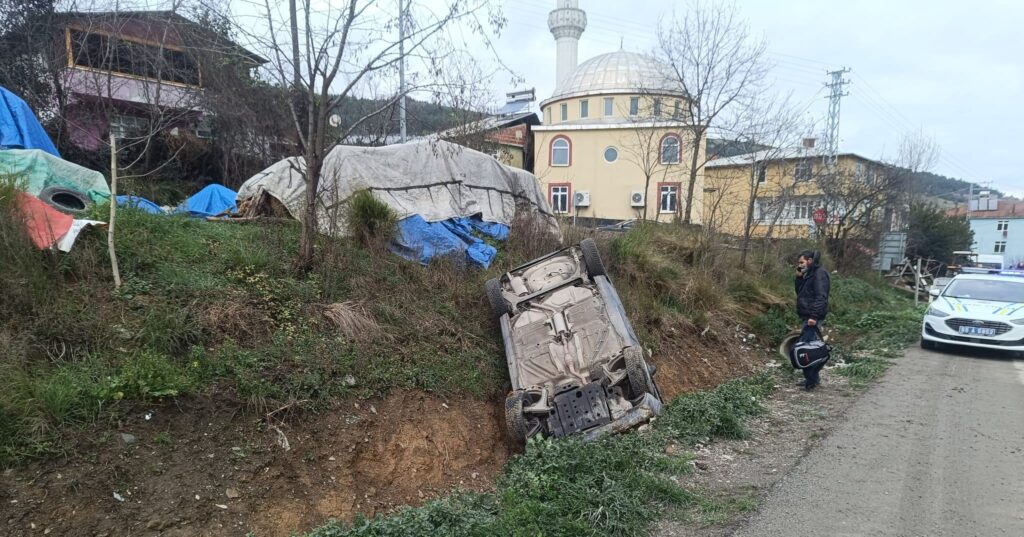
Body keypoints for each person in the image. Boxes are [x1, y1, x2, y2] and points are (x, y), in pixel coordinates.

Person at [795, 250, 830, 390]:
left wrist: (813, 317)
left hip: (812, 317)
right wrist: (798, 277)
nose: (799, 265)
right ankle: (812, 379)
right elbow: (801, 293)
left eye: (802, 262)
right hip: (807, 316)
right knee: (808, 348)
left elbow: (821, 297)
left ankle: (811, 381)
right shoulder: (809, 274)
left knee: (808, 350)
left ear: (810, 261)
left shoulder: (819, 274)